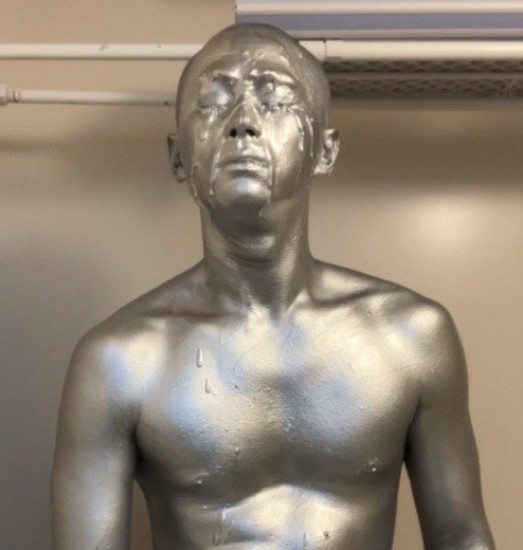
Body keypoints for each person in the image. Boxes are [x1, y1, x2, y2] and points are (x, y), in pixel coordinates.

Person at [52, 24, 495, 550]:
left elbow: (461, 535)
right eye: (212, 104)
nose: (242, 123)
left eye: (274, 99)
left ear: (325, 150)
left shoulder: (412, 337)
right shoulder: (118, 361)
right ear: (178, 157)